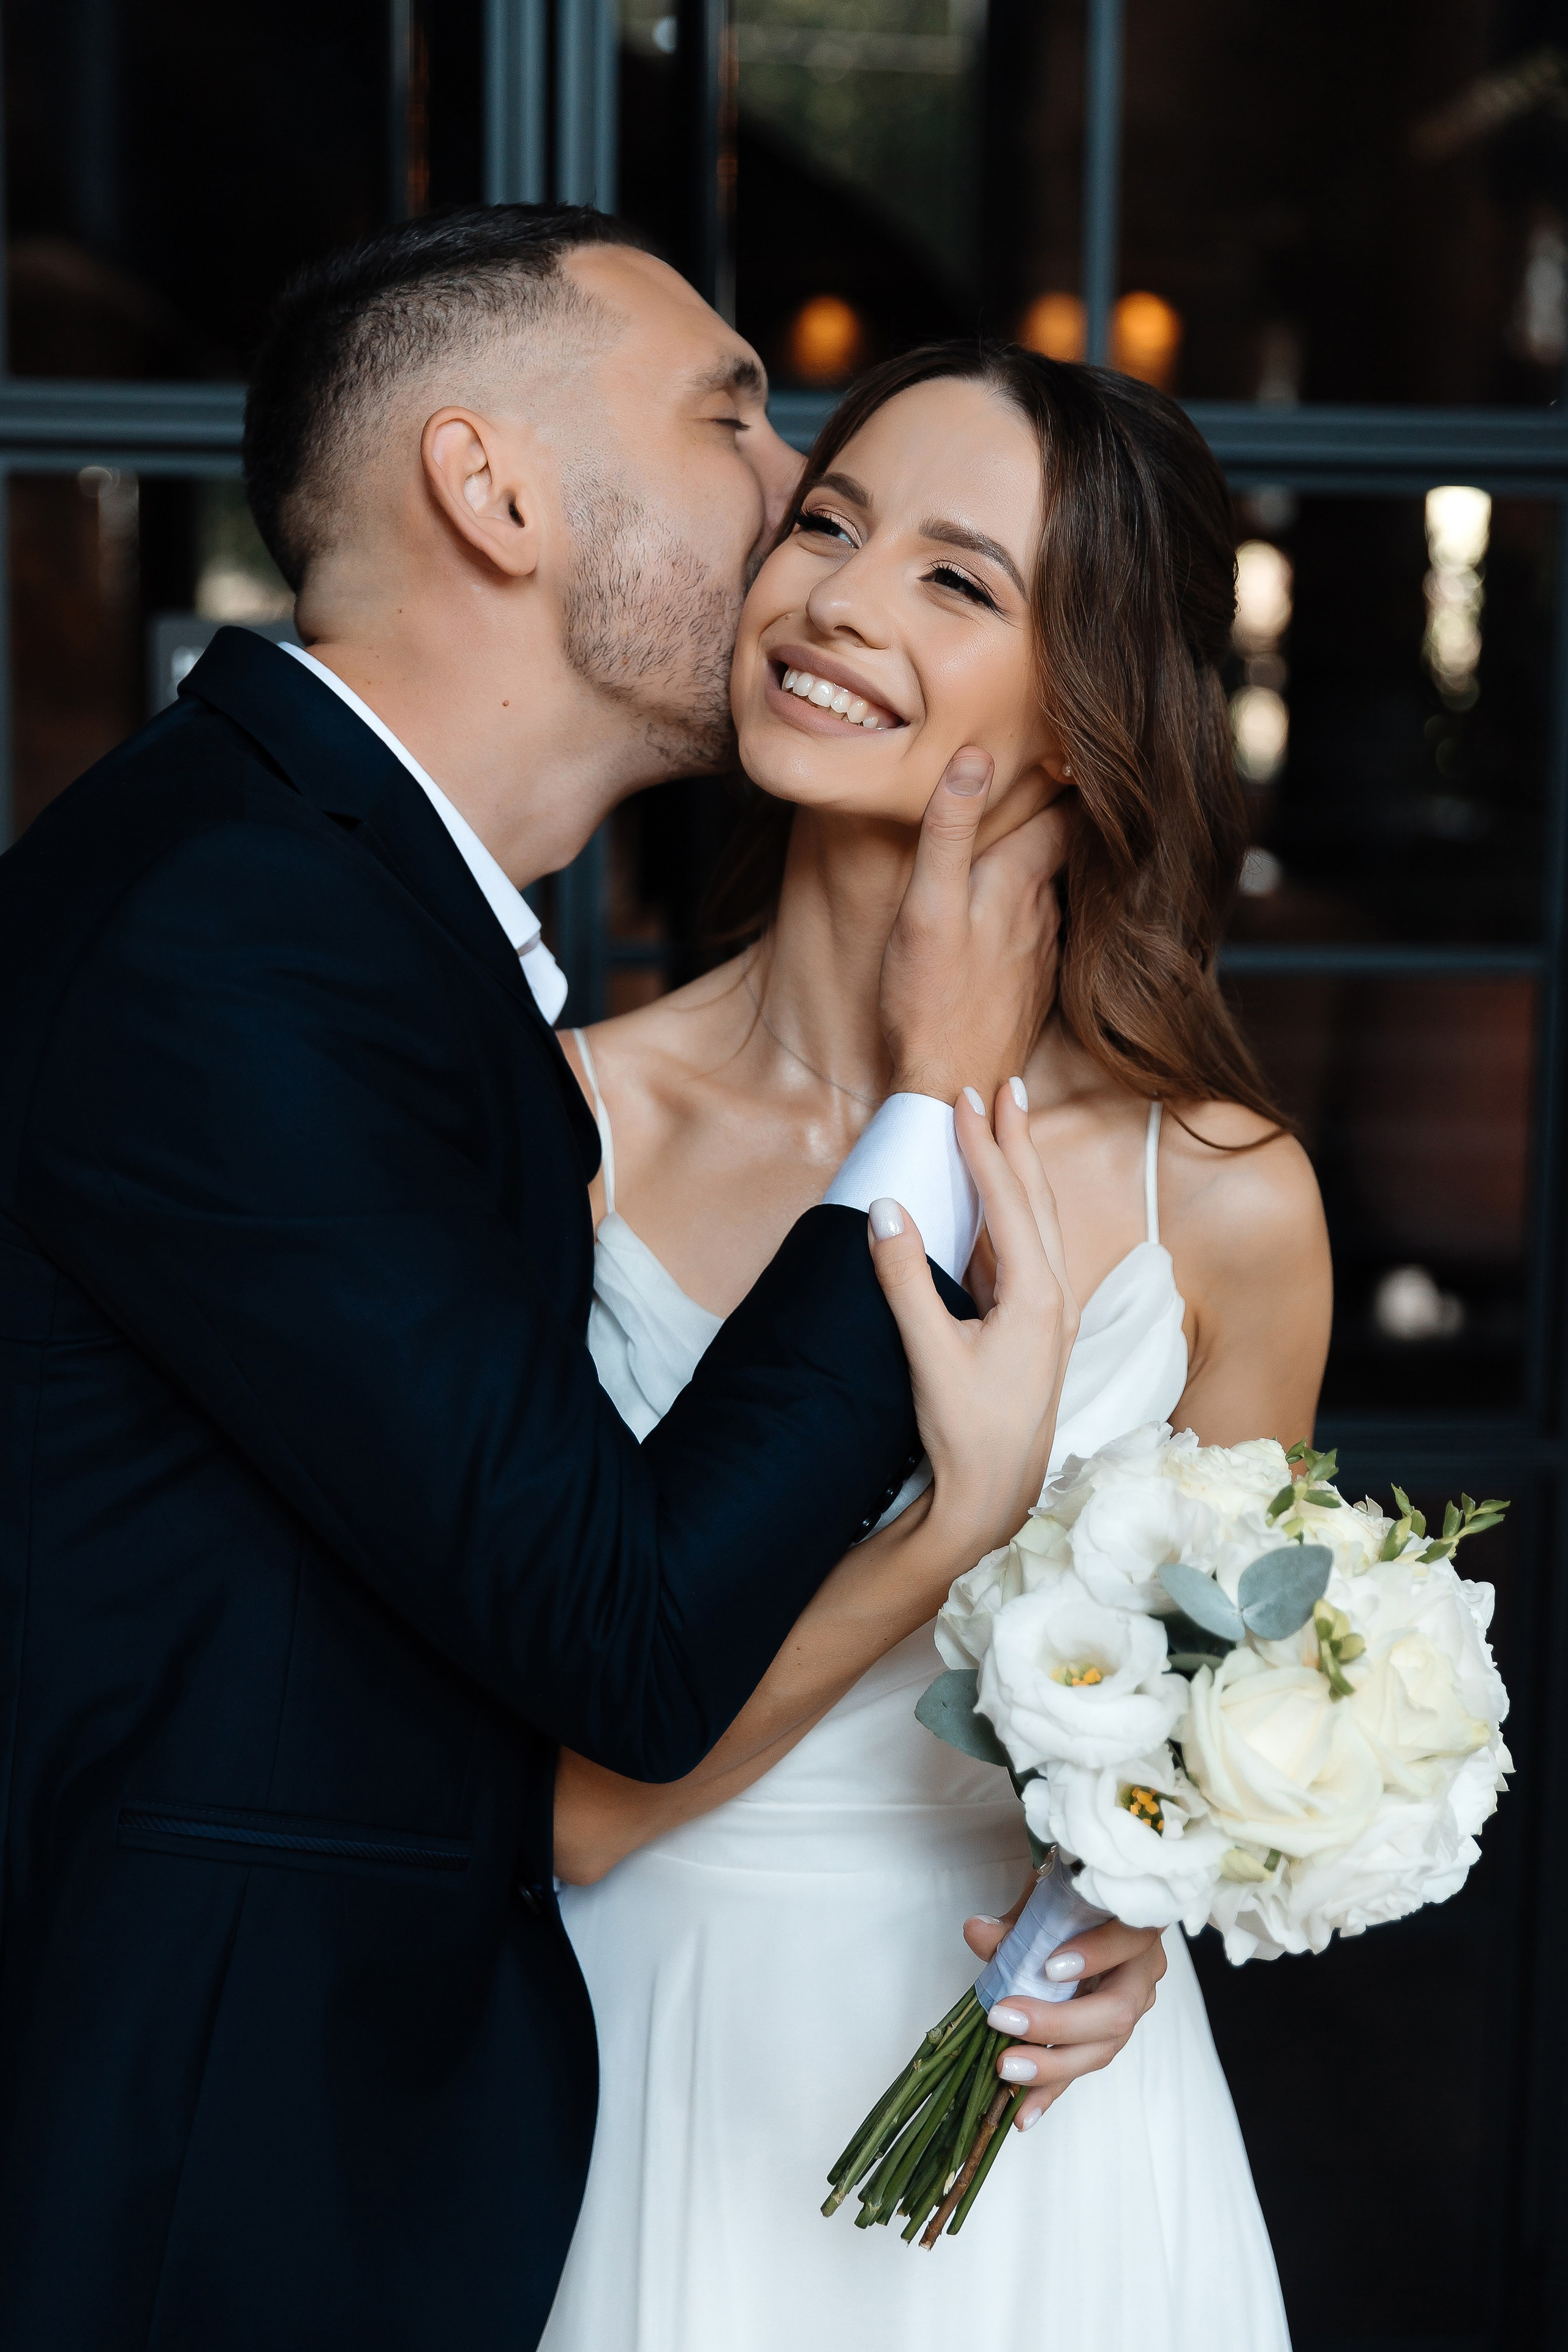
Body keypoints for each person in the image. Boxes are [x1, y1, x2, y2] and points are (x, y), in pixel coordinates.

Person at [0, 210, 1149, 2352]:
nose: (793, 522)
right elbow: (616, 1634)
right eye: (738, 424)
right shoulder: (239, 935)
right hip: (204, 2180)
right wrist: (944, 1102)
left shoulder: (341, 915)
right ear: (494, 491)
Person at [546, 344, 1333, 2351]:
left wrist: (1139, 1927)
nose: (833, 598)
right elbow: (552, 1797)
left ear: (1087, 720)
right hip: (643, 2058)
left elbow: (1212, 1752)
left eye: (955, 582)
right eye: (827, 523)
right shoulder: (560, 1127)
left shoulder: (1221, 1199)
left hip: (1036, 2150)